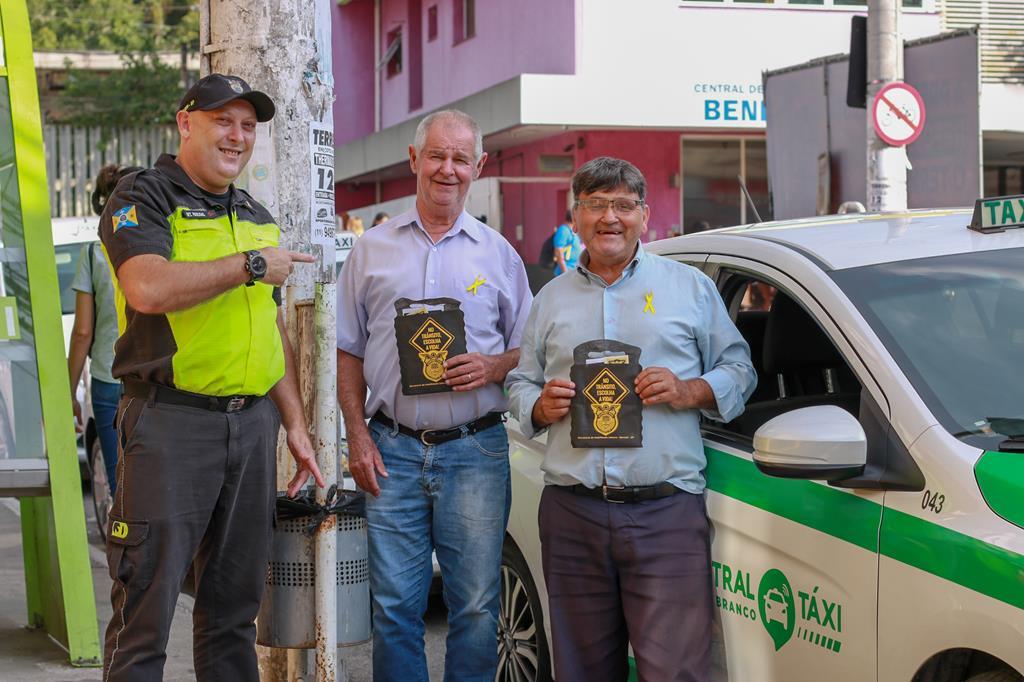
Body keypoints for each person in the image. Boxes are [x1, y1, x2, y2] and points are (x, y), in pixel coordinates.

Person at [97, 73, 325, 682]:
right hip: (171, 425)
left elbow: (267, 327)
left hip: (252, 428)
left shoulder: (254, 212)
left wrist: (295, 425)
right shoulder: (142, 197)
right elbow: (147, 287)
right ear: (185, 122)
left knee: (233, 614)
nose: (237, 135)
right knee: (145, 610)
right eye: (223, 120)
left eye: (248, 126)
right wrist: (250, 264)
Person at [505, 156, 756, 682]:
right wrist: (537, 404)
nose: (610, 218)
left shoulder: (689, 288)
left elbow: (740, 368)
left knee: (676, 671)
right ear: (575, 218)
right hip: (573, 516)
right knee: (582, 671)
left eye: (623, 205)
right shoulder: (549, 300)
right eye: (596, 205)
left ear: (645, 215)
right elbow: (519, 382)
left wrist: (691, 390)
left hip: (665, 515)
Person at [337, 109, 532, 681]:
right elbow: (348, 350)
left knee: (475, 606)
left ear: (479, 166)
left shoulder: (500, 255)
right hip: (390, 449)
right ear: (414, 160)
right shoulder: (370, 250)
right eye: (437, 156)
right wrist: (356, 436)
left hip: (477, 452)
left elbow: (530, 351)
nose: (448, 169)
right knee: (394, 608)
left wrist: (494, 364)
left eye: (460, 158)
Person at [67, 164, 142, 497]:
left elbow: (83, 332)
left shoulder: (93, 253)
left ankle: (122, 545)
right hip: (157, 382)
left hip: (108, 381)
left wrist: (69, 393)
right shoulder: (162, 247)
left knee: (121, 487)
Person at [552, 209, 582, 275]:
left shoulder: (572, 230)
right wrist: (565, 273)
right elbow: (558, 252)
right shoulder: (563, 230)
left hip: (574, 271)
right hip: (566, 272)